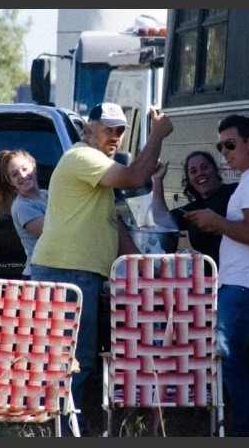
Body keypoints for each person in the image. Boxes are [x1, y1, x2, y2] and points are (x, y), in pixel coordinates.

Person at [30, 102, 174, 435]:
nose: (115, 135)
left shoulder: (95, 165)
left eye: (121, 130)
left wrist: (144, 265)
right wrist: (156, 136)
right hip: (65, 272)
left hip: (72, 272)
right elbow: (136, 176)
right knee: (73, 364)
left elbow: (112, 225)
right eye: (108, 127)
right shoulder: (83, 157)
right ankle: (66, 432)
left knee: (74, 362)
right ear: (89, 127)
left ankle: (65, 430)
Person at [185, 114, 249, 436]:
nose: (224, 153)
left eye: (230, 144)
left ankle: (246, 429)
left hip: (247, 286)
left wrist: (215, 222)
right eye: (220, 146)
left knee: (226, 352)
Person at [151, 150, 237, 271]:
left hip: (237, 278)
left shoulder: (234, 192)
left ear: (216, 170)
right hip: (210, 281)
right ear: (189, 180)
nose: (200, 173)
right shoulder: (194, 209)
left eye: (205, 167)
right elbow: (161, 218)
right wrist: (158, 180)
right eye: (193, 171)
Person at [0, 149, 47, 279]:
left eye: (25, 169)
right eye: (14, 174)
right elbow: (51, 234)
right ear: (10, 181)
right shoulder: (23, 206)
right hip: (39, 274)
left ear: (34, 166)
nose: (22, 175)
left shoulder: (47, 194)